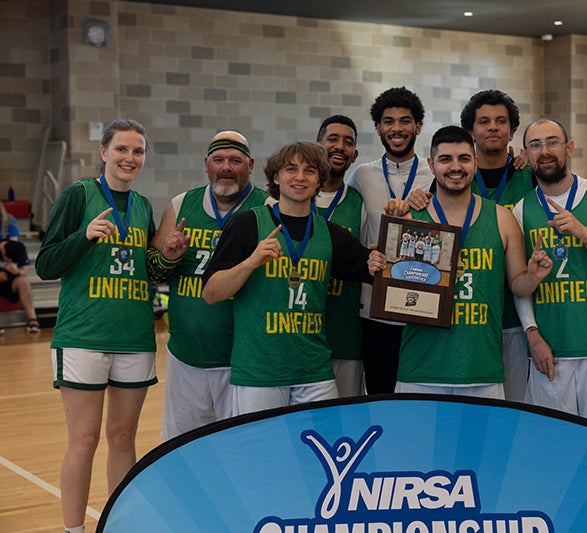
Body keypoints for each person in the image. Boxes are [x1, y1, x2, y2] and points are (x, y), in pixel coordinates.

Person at [35, 118, 188, 533]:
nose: (130, 158)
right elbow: (45, 264)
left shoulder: (141, 205)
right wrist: (83, 236)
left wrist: (170, 254)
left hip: (135, 337)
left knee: (123, 439)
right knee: (84, 440)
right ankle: (74, 530)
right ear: (104, 152)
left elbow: (149, 269)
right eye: (122, 149)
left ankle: (120, 526)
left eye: (138, 151)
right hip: (83, 335)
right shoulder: (79, 194)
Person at [202, 142, 401, 414]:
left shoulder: (332, 234)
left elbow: (375, 271)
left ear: (319, 179)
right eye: (291, 169)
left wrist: (377, 259)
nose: (300, 177)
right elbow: (211, 293)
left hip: (315, 371)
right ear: (276, 177)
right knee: (266, 455)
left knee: (321, 450)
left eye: (309, 171)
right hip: (259, 373)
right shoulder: (247, 224)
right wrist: (251, 262)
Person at [396, 125, 551, 399]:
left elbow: (518, 286)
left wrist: (534, 277)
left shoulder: (502, 218)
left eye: (464, 159)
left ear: (475, 163)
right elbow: (395, 291)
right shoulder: (410, 220)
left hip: (482, 368)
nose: (455, 167)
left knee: (485, 443)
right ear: (431, 165)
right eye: (445, 159)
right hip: (421, 368)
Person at [512, 118, 587, 430]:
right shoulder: (521, 210)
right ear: (525, 155)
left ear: (569, 148)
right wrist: (531, 334)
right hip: (551, 352)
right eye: (535, 145)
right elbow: (518, 282)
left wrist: (586, 235)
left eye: (552, 142)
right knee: (553, 447)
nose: (545, 151)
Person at [152, 130, 268, 441]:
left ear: (251, 164)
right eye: (218, 159)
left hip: (243, 360)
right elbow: (152, 271)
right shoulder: (181, 204)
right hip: (186, 356)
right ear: (206, 163)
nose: (226, 167)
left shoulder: (268, 207)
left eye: (235, 160)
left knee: (240, 449)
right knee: (181, 450)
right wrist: (167, 255)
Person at [346, 87, 435, 394]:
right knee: (381, 395)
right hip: (375, 308)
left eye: (405, 121)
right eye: (389, 121)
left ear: (418, 127)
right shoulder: (362, 175)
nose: (396, 129)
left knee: (421, 395)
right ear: (378, 128)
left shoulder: (434, 172)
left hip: (423, 306)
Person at [461, 89, 536, 401]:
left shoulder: (531, 177)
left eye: (500, 121)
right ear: (471, 131)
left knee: (517, 414)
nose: (492, 127)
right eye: (484, 121)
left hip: (520, 318)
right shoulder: (453, 179)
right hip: (469, 317)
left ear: (512, 131)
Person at [314, 115, 365, 397]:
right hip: (296, 336)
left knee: (346, 424)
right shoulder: (284, 201)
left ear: (354, 155)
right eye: (332, 139)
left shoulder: (359, 202)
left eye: (348, 143)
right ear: (318, 144)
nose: (340, 147)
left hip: (345, 335)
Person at [0, 239, 40, 333]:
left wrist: (16, 271)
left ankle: (32, 320)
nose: (8, 260)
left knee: (23, 281)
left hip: (9, 283)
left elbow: (23, 271)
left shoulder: (19, 249)